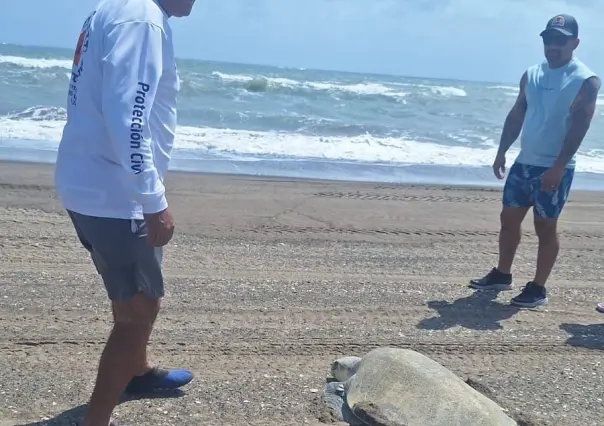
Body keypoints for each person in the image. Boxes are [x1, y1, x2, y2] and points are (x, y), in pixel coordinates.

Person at [53, 1, 197, 425]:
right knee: (140, 309)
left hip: (89, 182)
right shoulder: (141, 19)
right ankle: (96, 420)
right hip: (114, 194)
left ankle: (137, 370)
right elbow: (128, 118)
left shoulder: (117, 7)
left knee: (126, 292)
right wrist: (152, 200)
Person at [469, 14, 600, 308]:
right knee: (509, 219)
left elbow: (581, 125)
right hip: (524, 162)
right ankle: (502, 274)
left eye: (560, 41)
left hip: (556, 166)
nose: (553, 46)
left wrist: (558, 166)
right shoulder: (532, 73)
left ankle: (538, 288)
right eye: (549, 40)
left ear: (574, 43)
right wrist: (502, 150)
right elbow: (518, 112)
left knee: (545, 226)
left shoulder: (585, 80)